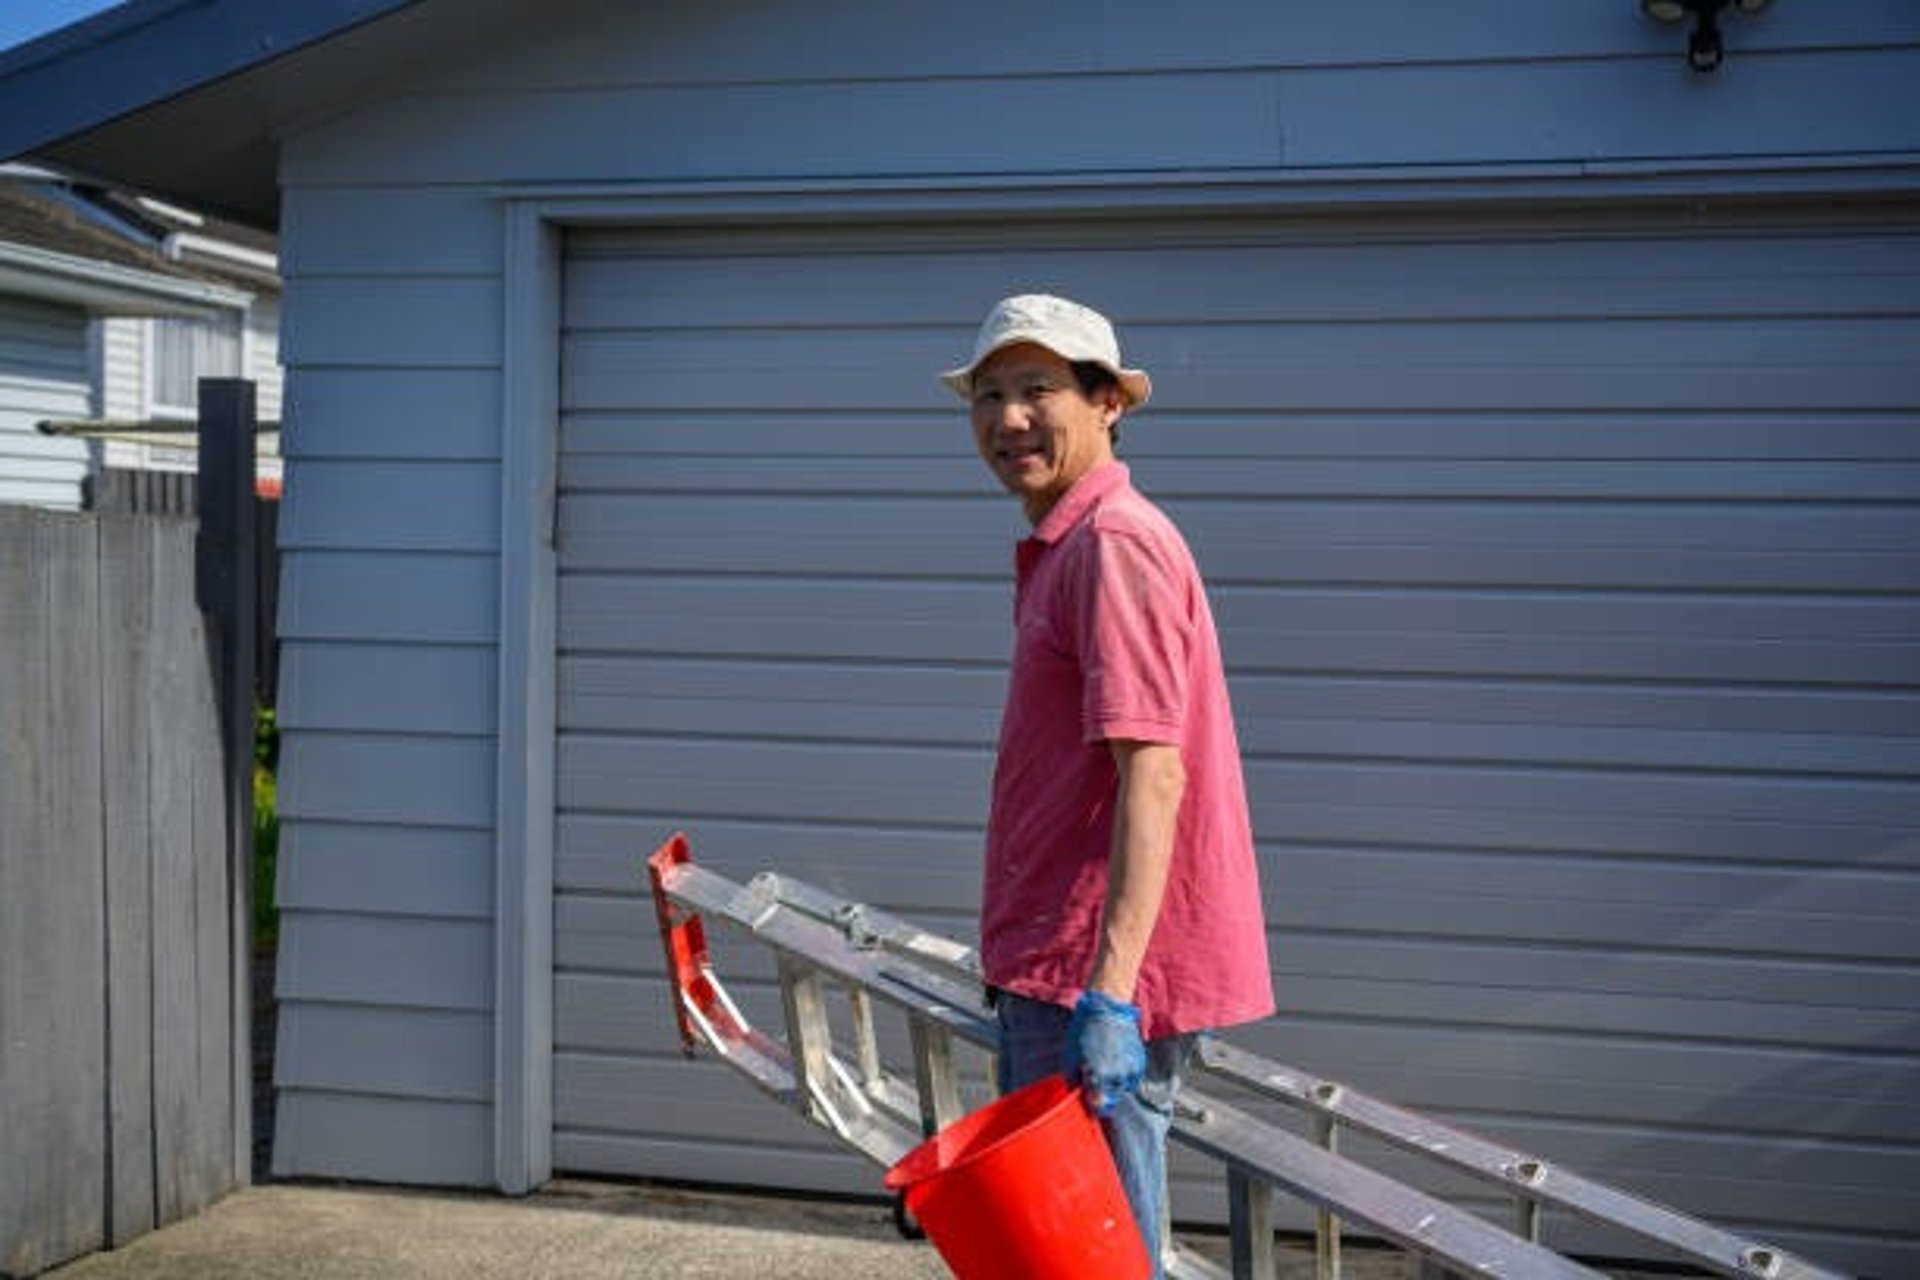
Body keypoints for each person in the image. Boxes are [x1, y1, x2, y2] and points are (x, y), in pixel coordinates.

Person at [941, 293, 1274, 1277]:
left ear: (1106, 403)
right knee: (1076, 1252)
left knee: (1094, 1259)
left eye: (1037, 389)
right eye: (989, 395)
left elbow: (1154, 772)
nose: (1008, 419)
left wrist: (1112, 994)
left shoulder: (1111, 544)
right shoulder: (1068, 544)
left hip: (1088, 977)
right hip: (1054, 963)